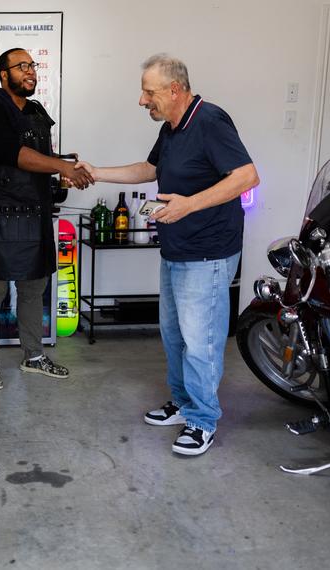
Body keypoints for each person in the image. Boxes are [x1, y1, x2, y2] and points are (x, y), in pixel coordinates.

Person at [78, 54, 259, 455]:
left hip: (208, 253)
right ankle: (182, 402)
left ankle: (202, 419)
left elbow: (247, 176)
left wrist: (188, 205)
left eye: (149, 91)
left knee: (201, 342)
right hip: (177, 248)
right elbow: (149, 168)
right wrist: (97, 171)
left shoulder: (210, 121)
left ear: (174, 89)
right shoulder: (173, 127)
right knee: (174, 335)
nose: (142, 100)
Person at [0, 47, 93, 390]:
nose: (31, 72)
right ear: (3, 73)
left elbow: (42, 157)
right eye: (21, 66)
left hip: (34, 207)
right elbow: (18, 155)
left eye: (33, 66)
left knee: (34, 285)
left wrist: (63, 167)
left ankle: (34, 356)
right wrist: (60, 165)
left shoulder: (37, 111)